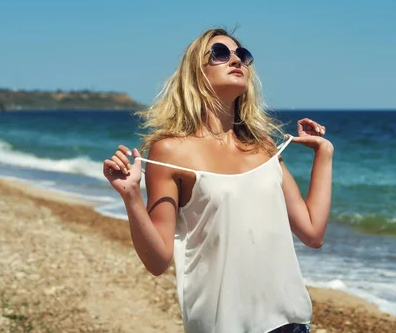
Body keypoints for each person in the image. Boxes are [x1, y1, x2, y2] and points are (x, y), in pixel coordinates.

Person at [102, 28, 334, 333]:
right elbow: (157, 262)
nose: (236, 59)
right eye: (221, 53)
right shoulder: (170, 150)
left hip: (287, 323)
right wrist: (131, 196)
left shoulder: (263, 146)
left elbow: (312, 233)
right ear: (195, 73)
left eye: (243, 55)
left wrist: (324, 153)